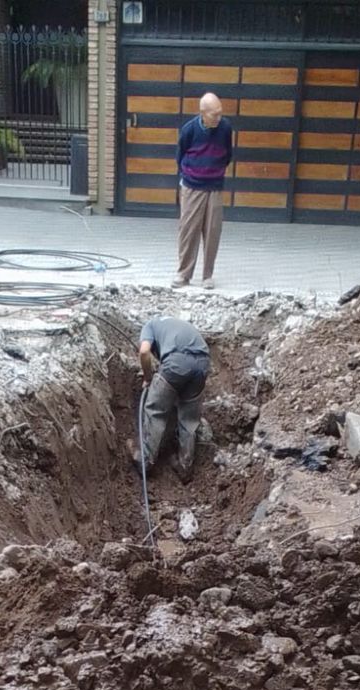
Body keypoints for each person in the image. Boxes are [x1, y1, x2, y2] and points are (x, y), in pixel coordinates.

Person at [136, 316, 210, 483]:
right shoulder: (173, 325)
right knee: (188, 420)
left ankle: (145, 461)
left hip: (176, 362)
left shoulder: (149, 326)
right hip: (203, 363)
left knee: (155, 410)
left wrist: (148, 378)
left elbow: (144, 352)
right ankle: (185, 466)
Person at [173, 92, 232, 291]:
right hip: (192, 186)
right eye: (214, 114)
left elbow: (228, 154)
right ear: (202, 113)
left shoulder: (225, 128)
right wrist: (190, 174)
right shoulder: (189, 130)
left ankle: (207, 275)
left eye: (220, 113)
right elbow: (180, 155)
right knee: (188, 231)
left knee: (213, 231)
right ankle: (183, 274)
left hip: (215, 185)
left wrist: (216, 171)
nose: (218, 118)